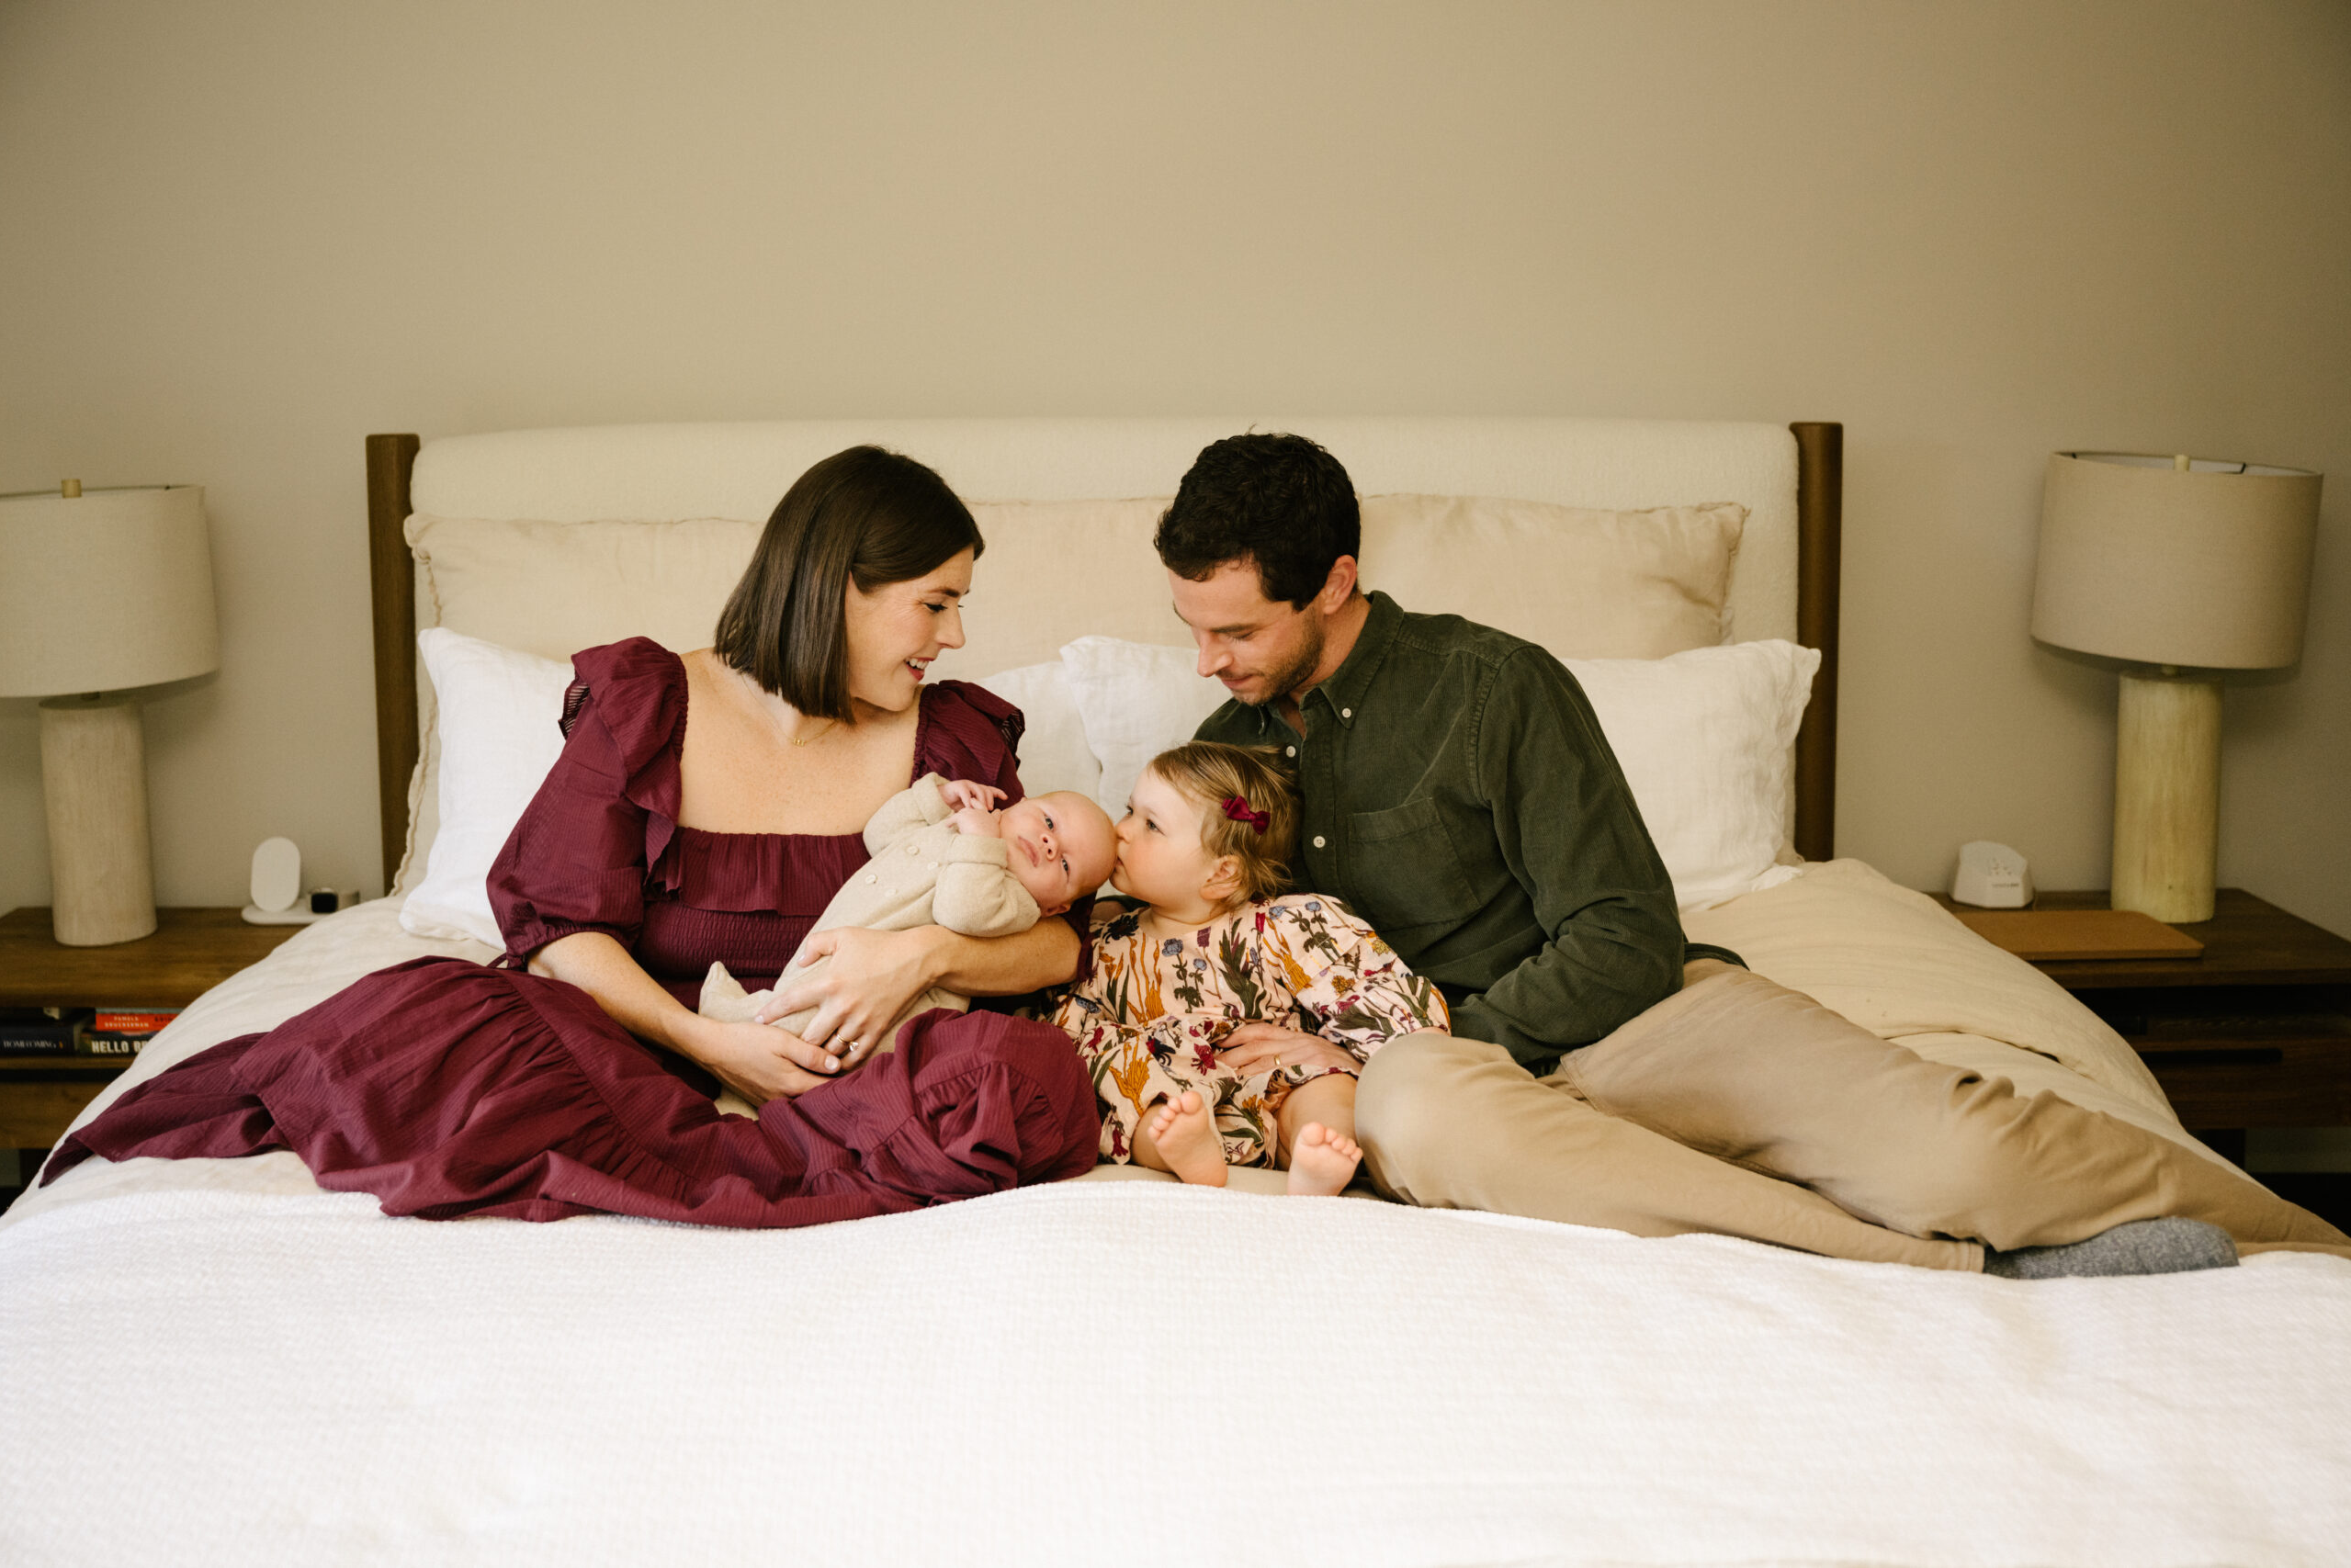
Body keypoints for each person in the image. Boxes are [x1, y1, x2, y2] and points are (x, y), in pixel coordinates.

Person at [1159, 432, 2350, 1273]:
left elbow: (1624, 928)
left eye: (1239, 629)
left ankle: (2304, 1243)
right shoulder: (1226, 751)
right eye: (1192, 629)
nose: (1210, 661)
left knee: (1955, 1147)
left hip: (1636, 1014)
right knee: (1417, 1110)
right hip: (1440, 1074)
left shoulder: (1491, 684)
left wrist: (1467, 1035)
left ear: (1337, 582)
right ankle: (1907, 1259)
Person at [46, 446, 1101, 1226]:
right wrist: (710, 1043)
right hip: (654, 1056)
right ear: (839, 588)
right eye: (935, 603)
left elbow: (1058, 941)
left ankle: (778, 1150)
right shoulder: (650, 703)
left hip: (864, 1072)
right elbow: (559, 928)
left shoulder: (951, 738)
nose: (955, 636)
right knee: (449, 1014)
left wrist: (917, 953)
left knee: (1029, 1068)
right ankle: (729, 1151)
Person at [1048, 740, 1449, 1196]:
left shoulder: (1282, 925)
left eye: (1151, 825)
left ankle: (1315, 1154)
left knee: (1327, 1086)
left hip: (1273, 1089)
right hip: (1175, 1094)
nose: (1121, 831)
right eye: (1129, 811)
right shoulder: (1105, 943)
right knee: (1128, 1096)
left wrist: (1410, 1043)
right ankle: (1186, 1152)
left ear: (1222, 874)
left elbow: (1366, 989)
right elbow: (1071, 1033)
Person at [698, 772, 1115, 1113]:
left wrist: (980, 837)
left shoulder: (1016, 903)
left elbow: (962, 910)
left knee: (806, 1024)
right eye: (1048, 821)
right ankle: (739, 1094)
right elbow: (880, 834)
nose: (1049, 843)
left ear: (1056, 908)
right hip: (835, 955)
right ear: (1016, 804)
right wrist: (938, 799)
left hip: (883, 1008)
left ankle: (734, 1022)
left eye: (1064, 863)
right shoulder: (961, 830)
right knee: (795, 1002)